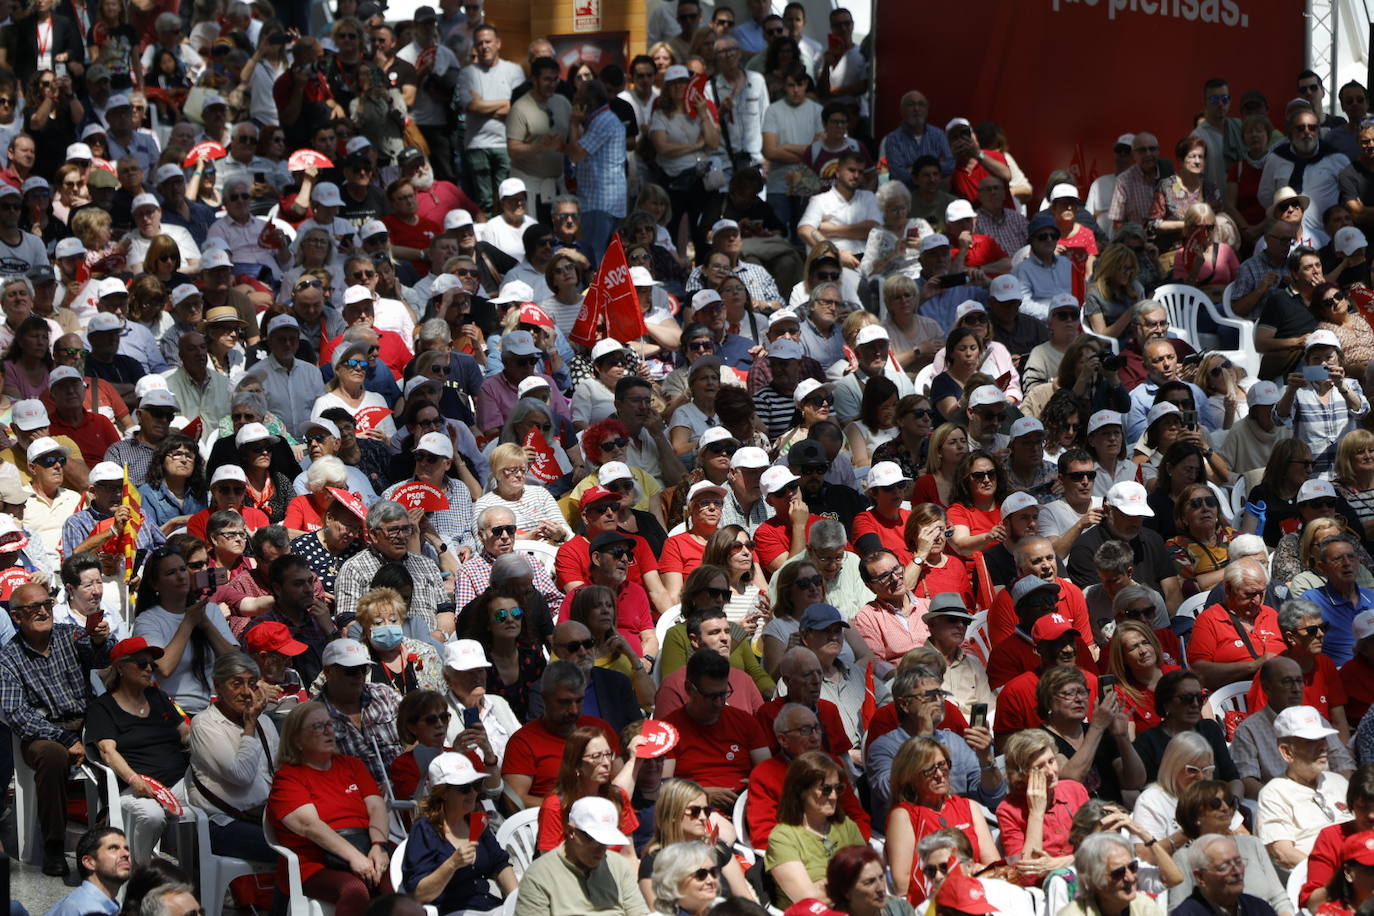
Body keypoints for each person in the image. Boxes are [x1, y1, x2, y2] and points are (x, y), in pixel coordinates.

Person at [267, 701, 391, 916]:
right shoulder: (288, 777)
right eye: (317, 727)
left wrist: (379, 846)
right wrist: (354, 857)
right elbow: (311, 826)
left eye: (329, 724)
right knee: (354, 890)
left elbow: (377, 806)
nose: (328, 731)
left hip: (367, 847)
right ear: (297, 740)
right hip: (317, 863)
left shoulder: (352, 765)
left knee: (402, 882)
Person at [83, 636, 189, 865]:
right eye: (142, 663)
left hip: (179, 782)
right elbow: (107, 752)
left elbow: (185, 734)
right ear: (121, 667)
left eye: (152, 664)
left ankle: (199, 873)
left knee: (214, 800)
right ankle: (137, 876)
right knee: (151, 816)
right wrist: (134, 780)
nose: (149, 668)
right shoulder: (102, 708)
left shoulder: (157, 696)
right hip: (136, 788)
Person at [186, 652, 279, 863]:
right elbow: (241, 775)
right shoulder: (205, 724)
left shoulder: (265, 722)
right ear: (218, 686)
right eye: (236, 684)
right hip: (223, 824)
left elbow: (281, 770)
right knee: (294, 850)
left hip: (267, 817)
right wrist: (250, 726)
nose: (246, 692)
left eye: (252, 684)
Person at [399, 751, 517, 914]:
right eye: (464, 788)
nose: (473, 793)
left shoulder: (476, 821)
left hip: (489, 907)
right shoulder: (425, 830)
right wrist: (452, 864)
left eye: (476, 785)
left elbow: (500, 864)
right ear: (443, 793)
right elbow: (419, 894)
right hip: (452, 910)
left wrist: (517, 901)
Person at [1165, 779, 1292, 916]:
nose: (1226, 807)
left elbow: (1279, 899)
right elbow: (1178, 908)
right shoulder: (1185, 857)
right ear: (1196, 815)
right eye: (1215, 803)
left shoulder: (1252, 844)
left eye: (1230, 801)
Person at [763, 750, 867, 909]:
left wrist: (825, 884)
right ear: (801, 792)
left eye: (838, 789)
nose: (833, 796)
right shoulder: (782, 838)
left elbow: (870, 875)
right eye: (826, 789)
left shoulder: (845, 825)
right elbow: (809, 901)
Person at [1256, 704, 1356, 869]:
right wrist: (1333, 871)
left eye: (1323, 739)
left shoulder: (1338, 782)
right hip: (1317, 880)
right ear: (1287, 752)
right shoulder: (1274, 793)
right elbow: (1283, 853)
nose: (1323, 746)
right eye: (1311, 742)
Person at [513, 795, 648, 916]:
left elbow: (638, 912)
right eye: (594, 840)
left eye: (607, 842)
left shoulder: (619, 865)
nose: (601, 849)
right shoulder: (539, 874)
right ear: (571, 831)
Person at [640, 778, 756, 907]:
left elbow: (746, 901)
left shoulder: (717, 848)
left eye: (706, 811)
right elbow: (657, 912)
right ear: (672, 814)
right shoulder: (653, 862)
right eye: (695, 811)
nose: (703, 817)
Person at [995, 728, 1089, 867]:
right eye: (1039, 768)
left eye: (1051, 761)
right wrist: (1036, 813)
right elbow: (1027, 871)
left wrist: (1057, 863)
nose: (1051, 772)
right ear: (1020, 775)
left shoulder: (1075, 790)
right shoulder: (1007, 811)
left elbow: (1100, 849)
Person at [43, 826, 132, 916]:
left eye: (126, 849)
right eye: (113, 848)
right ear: (89, 862)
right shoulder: (81, 908)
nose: (126, 854)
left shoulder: (108, 905)